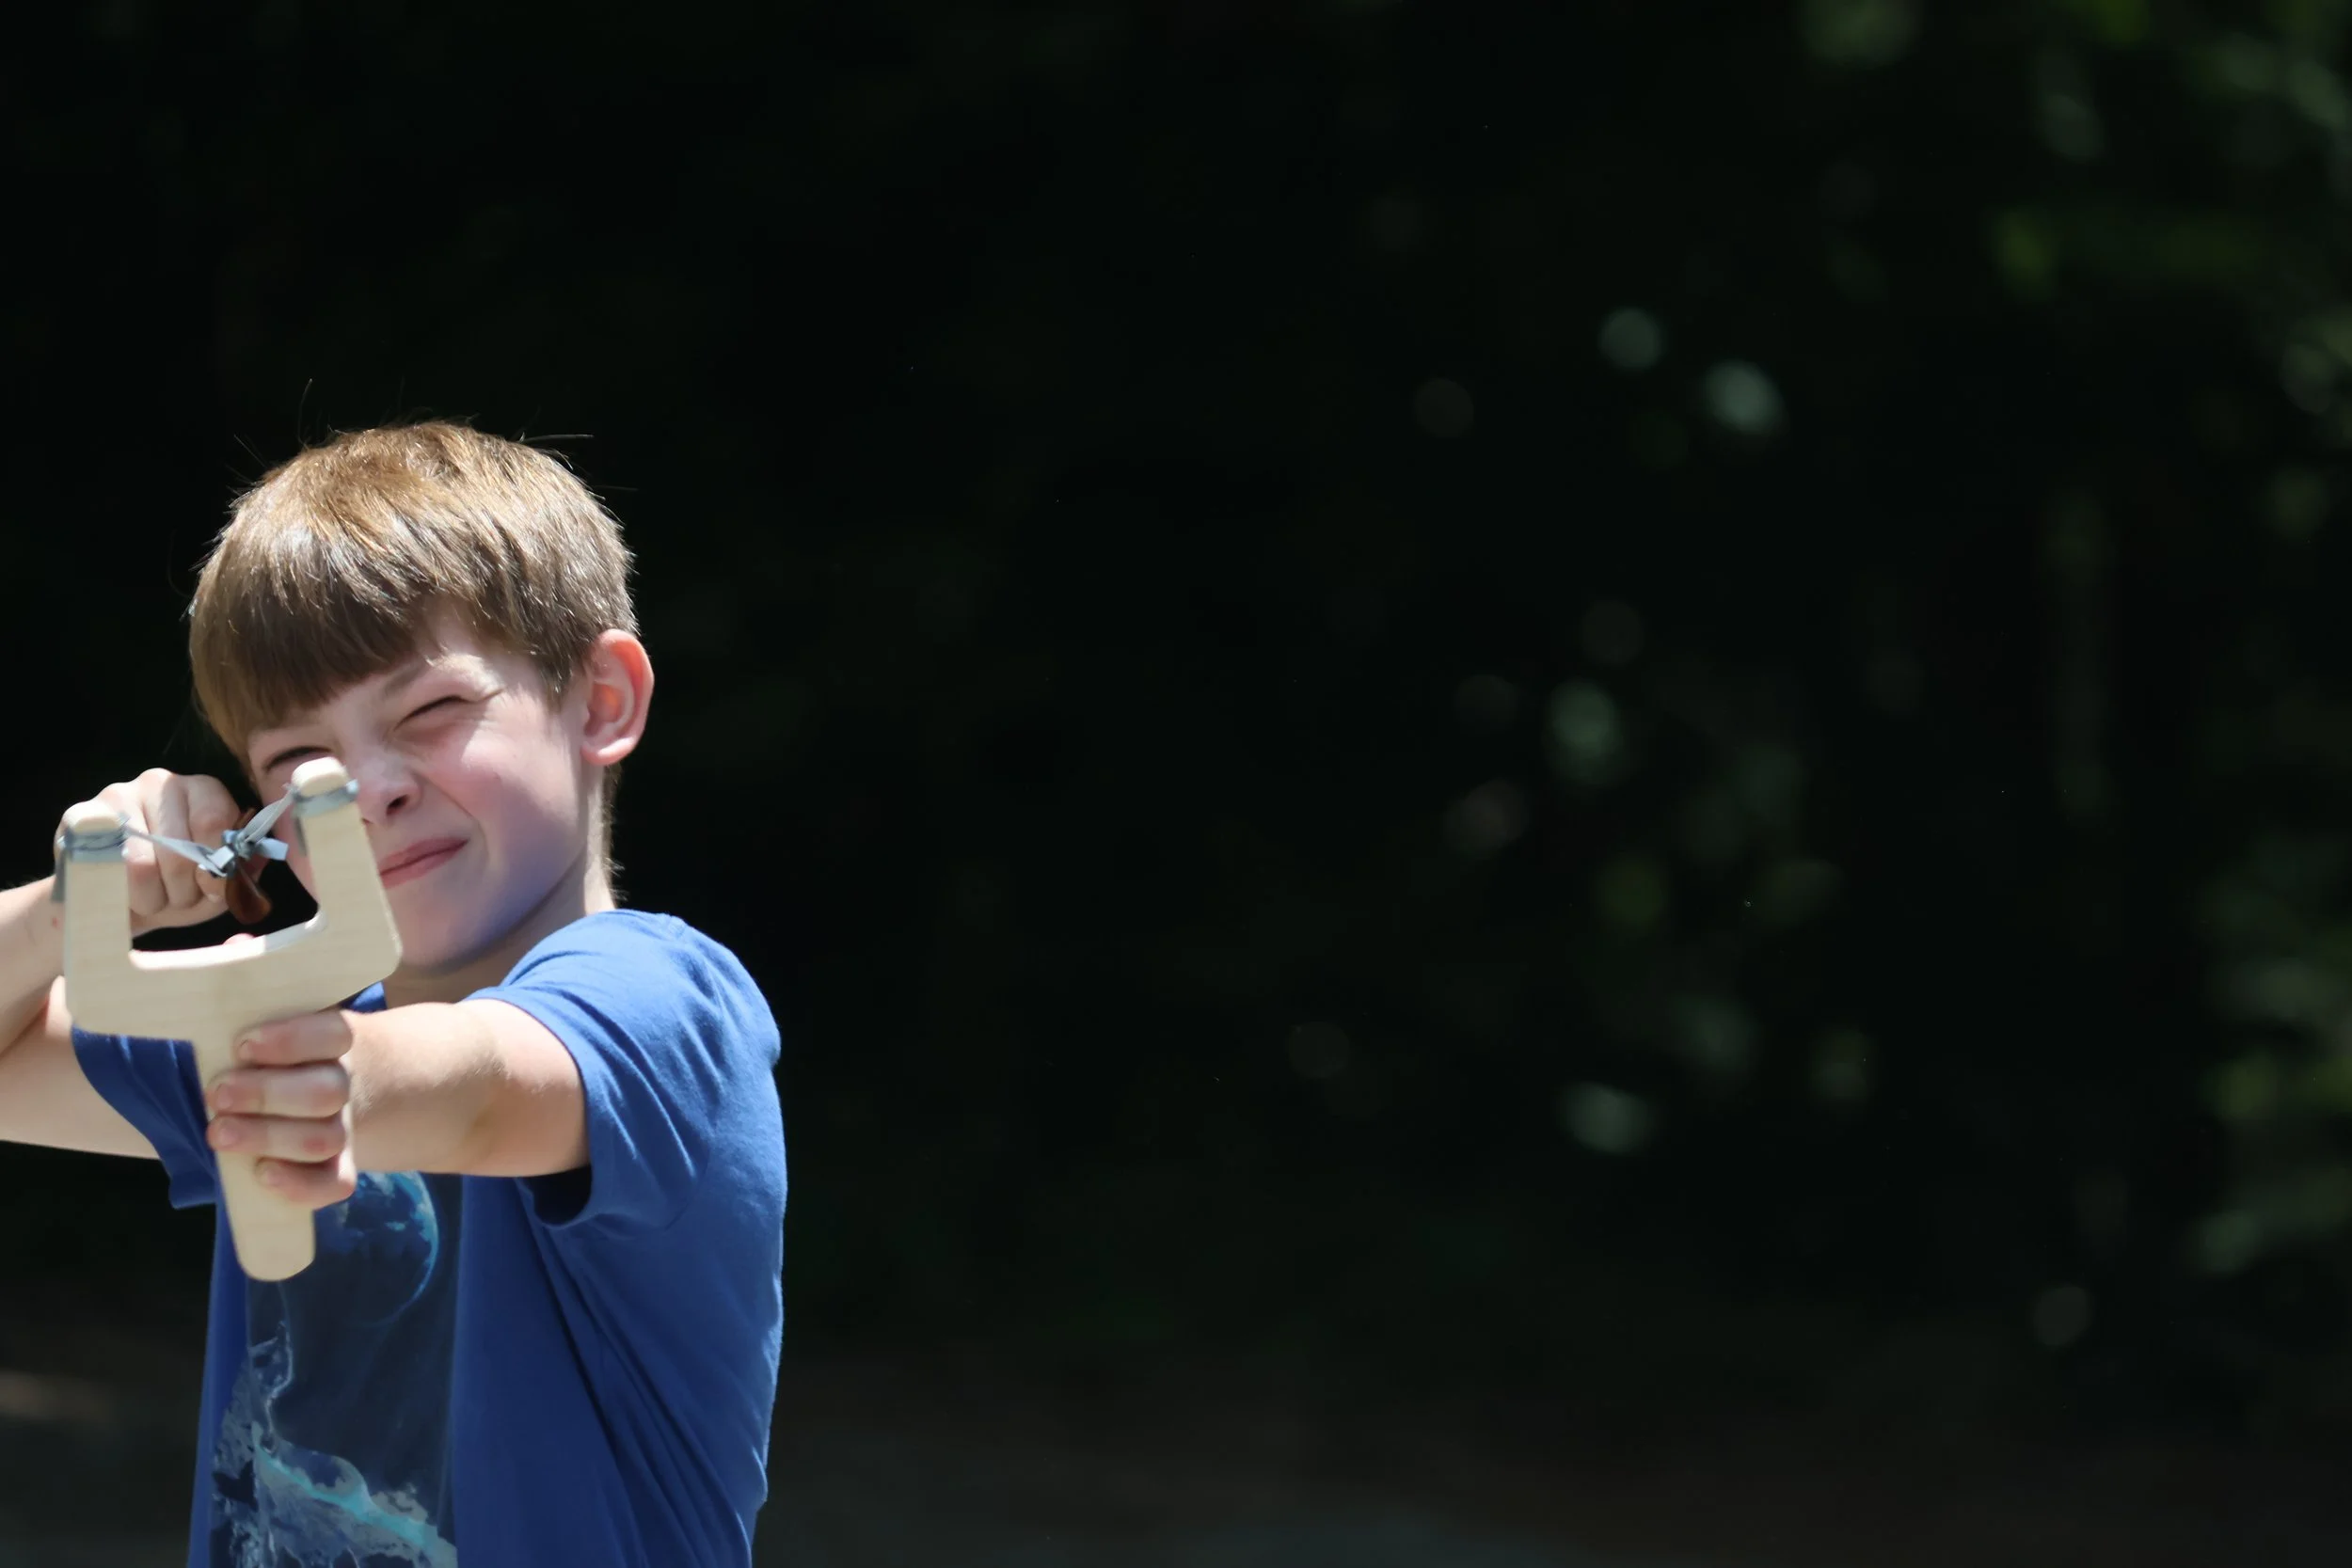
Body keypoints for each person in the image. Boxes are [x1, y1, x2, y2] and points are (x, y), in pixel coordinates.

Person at [0, 421, 787, 1567]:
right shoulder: (283, 1029)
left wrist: (325, 1082)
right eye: (296, 767)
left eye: (428, 714)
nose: (366, 792)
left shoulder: (665, 1002)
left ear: (601, 699)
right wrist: (74, 910)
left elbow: (480, 1090)